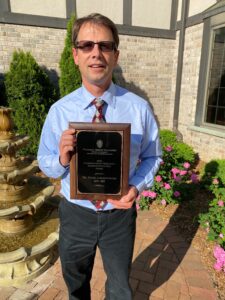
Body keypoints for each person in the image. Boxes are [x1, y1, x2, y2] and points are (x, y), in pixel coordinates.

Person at [38, 13, 162, 300]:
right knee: (76, 284)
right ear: (75, 55)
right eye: (87, 45)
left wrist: (135, 188)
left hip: (118, 216)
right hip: (76, 214)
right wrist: (61, 158)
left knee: (119, 287)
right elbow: (46, 164)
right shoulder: (59, 112)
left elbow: (153, 156)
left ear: (115, 56)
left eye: (105, 46)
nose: (97, 53)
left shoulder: (138, 109)